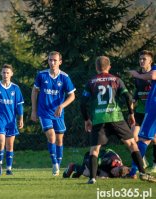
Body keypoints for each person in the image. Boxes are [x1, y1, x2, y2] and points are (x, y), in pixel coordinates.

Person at [80, 55, 154, 184]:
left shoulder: (91, 82)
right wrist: (131, 114)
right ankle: (142, 172)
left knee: (95, 149)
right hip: (116, 117)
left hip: (99, 118)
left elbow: (82, 103)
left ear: (96, 68)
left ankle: (92, 178)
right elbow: (128, 97)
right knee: (132, 144)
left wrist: (87, 120)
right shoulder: (116, 80)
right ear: (109, 67)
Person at [31, 51, 76, 176]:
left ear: (60, 62)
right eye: (50, 60)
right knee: (51, 136)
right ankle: (54, 163)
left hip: (58, 114)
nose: (52, 62)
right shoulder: (41, 75)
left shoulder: (65, 77)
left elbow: (72, 96)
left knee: (59, 140)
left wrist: (62, 105)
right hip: (44, 112)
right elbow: (34, 92)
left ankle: (58, 165)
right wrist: (34, 111)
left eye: (55, 60)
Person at [0, 64, 24, 175]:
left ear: (11, 74)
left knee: (10, 145)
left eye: (7, 73)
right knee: (1, 143)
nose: (5, 75)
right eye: (3, 72)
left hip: (11, 120)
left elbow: (19, 105)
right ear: (1, 73)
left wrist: (20, 118)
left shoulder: (15, 88)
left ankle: (8, 168)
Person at [129, 56, 156, 176]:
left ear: (150, 61)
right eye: (140, 59)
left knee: (144, 139)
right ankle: (141, 164)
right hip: (142, 111)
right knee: (137, 137)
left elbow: (153, 76)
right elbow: (137, 93)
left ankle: (135, 170)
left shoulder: (152, 70)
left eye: (144, 59)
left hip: (153, 108)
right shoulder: (140, 78)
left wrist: (136, 74)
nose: (141, 61)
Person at [63, 148, 130, 179]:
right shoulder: (108, 161)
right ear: (117, 166)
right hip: (90, 156)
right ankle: (72, 166)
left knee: (105, 174)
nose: (114, 172)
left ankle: (79, 171)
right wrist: (97, 176)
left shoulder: (122, 168)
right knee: (89, 173)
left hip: (100, 163)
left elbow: (129, 172)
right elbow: (92, 162)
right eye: (115, 170)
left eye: (115, 174)